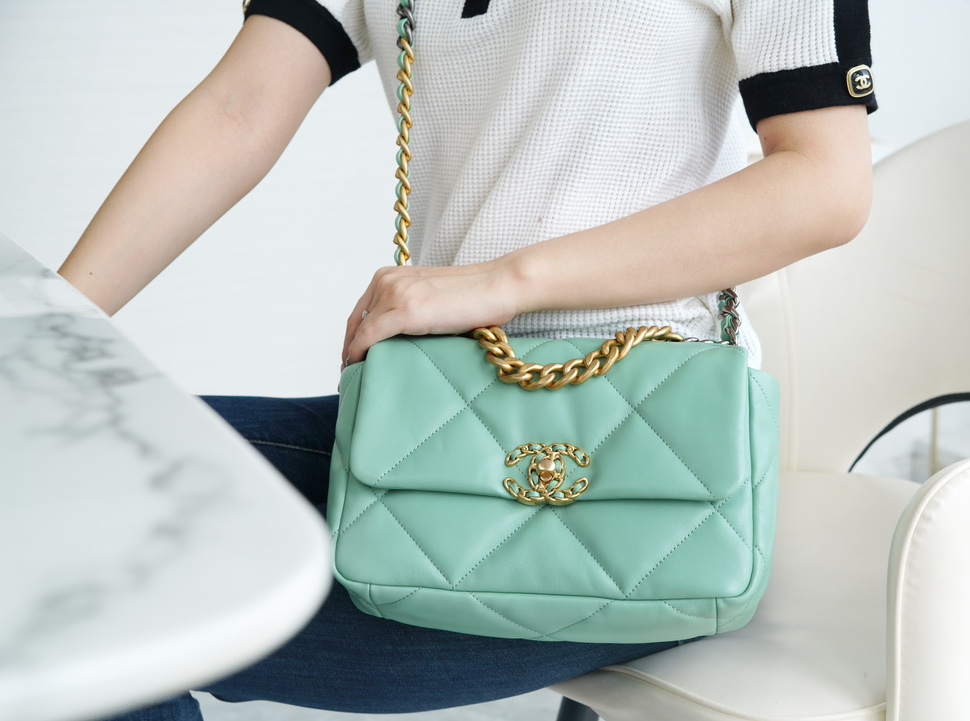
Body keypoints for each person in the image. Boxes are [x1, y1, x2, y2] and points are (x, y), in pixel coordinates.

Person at [60, 1, 877, 718]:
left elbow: (824, 183)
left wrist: (504, 282)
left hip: (653, 480)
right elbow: (238, 108)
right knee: (53, 491)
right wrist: (46, 328)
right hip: (434, 422)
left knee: (74, 601)